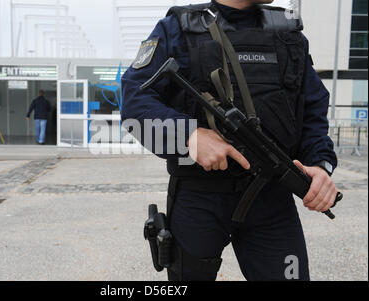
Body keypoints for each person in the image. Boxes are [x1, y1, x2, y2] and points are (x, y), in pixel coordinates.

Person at [121, 0, 338, 281]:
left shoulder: (288, 33)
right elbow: (134, 101)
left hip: (272, 197)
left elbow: (312, 108)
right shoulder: (178, 28)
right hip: (200, 197)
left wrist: (320, 164)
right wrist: (188, 135)